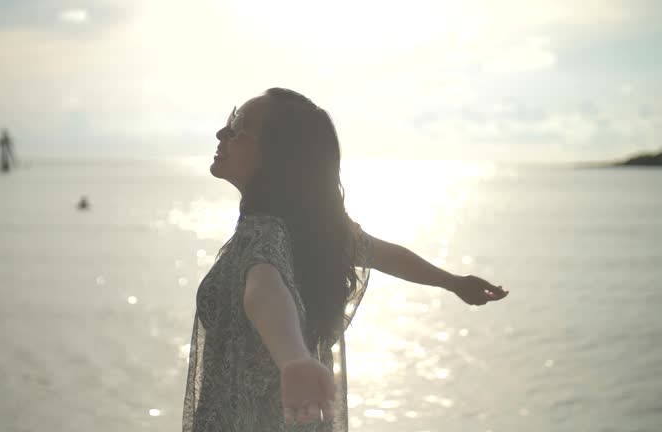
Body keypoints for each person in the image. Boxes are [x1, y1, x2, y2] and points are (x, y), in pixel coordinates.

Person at [182, 88, 509, 432]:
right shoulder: (309, 229)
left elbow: (264, 288)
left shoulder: (263, 233)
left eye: (237, 127)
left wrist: (293, 357)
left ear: (277, 155)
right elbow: (385, 255)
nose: (222, 133)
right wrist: (453, 282)